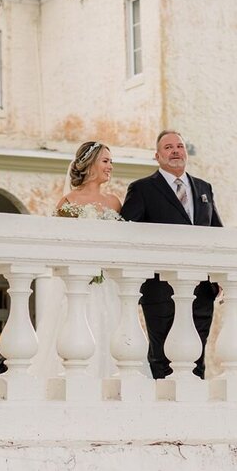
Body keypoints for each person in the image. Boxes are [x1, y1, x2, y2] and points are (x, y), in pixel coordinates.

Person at [30, 140, 146, 379]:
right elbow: (59, 246)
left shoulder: (114, 202)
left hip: (109, 286)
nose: (110, 166)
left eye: (111, 162)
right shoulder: (68, 203)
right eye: (105, 161)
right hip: (78, 283)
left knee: (111, 332)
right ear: (90, 165)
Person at [120, 129, 222, 379]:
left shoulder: (203, 187)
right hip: (160, 288)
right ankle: (162, 408)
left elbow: (217, 233)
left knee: (197, 354)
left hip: (201, 288)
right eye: (168, 147)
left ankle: (195, 409)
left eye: (179, 146)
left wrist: (218, 274)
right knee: (163, 355)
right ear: (157, 156)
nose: (175, 151)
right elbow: (127, 235)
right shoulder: (142, 189)